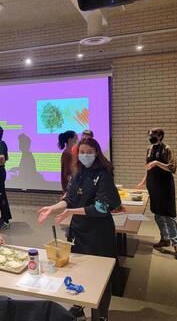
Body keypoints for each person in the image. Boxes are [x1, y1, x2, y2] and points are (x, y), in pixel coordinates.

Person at [38, 138, 121, 321]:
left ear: (96, 152)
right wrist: (53, 208)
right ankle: (79, 305)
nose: (85, 155)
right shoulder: (78, 173)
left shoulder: (104, 174)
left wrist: (70, 211)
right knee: (78, 269)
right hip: (79, 231)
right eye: (81, 152)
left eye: (88, 152)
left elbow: (101, 207)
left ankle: (101, 314)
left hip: (99, 233)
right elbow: (70, 198)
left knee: (101, 275)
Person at [136, 128, 177, 259]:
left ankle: (176, 243)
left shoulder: (167, 149)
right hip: (153, 186)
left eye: (153, 135)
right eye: (149, 135)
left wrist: (157, 162)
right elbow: (148, 168)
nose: (150, 137)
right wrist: (143, 181)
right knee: (158, 215)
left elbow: (172, 168)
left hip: (165, 187)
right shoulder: (149, 149)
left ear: (160, 136)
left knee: (169, 215)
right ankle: (165, 239)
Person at [58, 130, 78, 196]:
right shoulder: (66, 154)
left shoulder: (70, 153)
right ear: (70, 139)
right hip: (70, 188)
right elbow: (66, 173)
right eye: (76, 138)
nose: (77, 139)